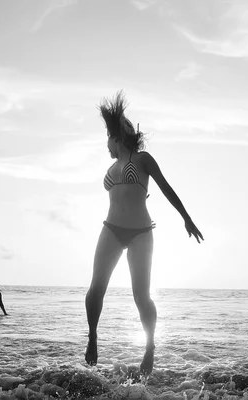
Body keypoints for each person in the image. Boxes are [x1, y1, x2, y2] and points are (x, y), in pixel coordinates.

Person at [85, 91, 204, 375]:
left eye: (108, 137)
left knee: (142, 296)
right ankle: (92, 337)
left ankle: (150, 348)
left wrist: (186, 218)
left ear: (117, 138)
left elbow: (165, 188)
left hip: (140, 233)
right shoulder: (111, 167)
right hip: (111, 230)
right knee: (95, 288)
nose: (106, 144)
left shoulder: (143, 159)